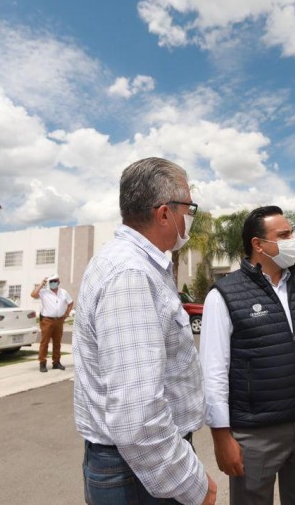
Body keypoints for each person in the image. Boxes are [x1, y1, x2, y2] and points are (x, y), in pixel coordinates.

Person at [73, 157, 216, 505]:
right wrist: (193, 485)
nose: (190, 217)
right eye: (188, 207)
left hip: (138, 469)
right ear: (164, 213)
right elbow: (137, 417)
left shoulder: (133, 264)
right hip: (142, 476)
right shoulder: (131, 274)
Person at [199, 205, 295, 505]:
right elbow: (213, 372)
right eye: (284, 235)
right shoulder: (224, 295)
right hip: (256, 433)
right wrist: (221, 436)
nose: (292, 239)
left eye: (291, 233)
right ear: (258, 245)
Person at [31, 273, 73, 372]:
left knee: (57, 342)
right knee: (44, 342)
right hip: (47, 320)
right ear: (48, 283)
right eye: (51, 281)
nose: (53, 283)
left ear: (58, 282)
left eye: (55, 281)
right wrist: (41, 284)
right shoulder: (44, 292)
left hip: (59, 320)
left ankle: (56, 362)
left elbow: (70, 303)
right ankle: (42, 362)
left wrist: (66, 314)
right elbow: (33, 295)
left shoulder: (63, 292)